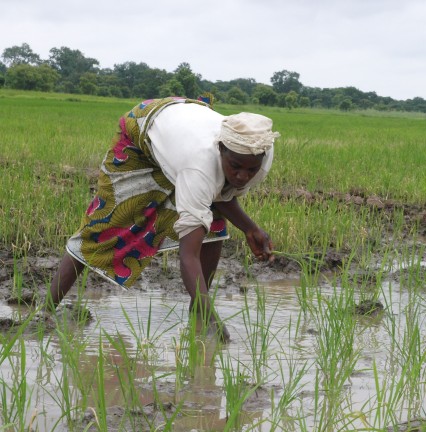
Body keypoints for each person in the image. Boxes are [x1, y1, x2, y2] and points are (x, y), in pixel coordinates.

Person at [46, 97, 279, 341]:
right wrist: (213, 322)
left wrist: (250, 229)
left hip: (184, 134)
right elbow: (189, 255)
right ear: (220, 149)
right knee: (103, 226)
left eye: (250, 170)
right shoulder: (198, 166)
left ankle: (197, 313)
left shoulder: (260, 149)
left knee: (213, 222)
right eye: (235, 166)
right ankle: (46, 311)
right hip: (144, 132)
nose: (243, 176)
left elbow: (220, 192)